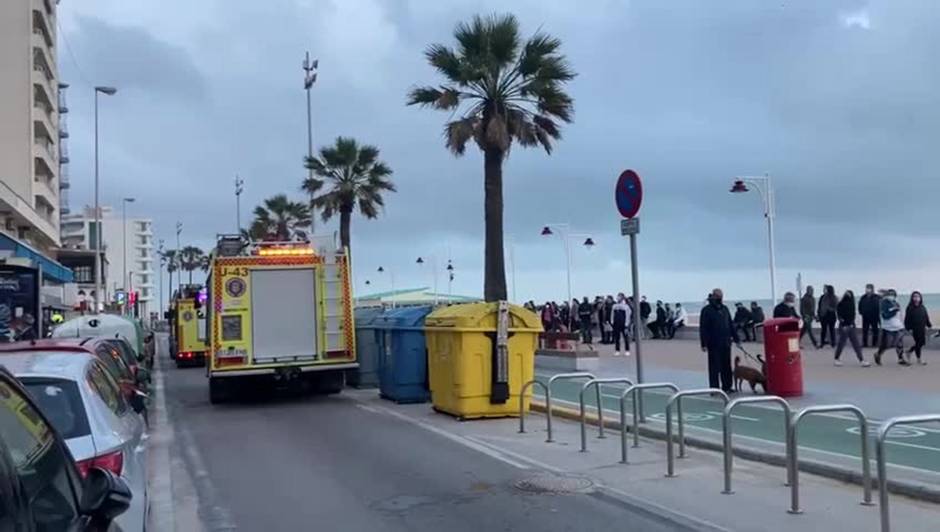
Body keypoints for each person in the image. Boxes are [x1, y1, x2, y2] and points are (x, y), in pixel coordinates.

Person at [700, 289, 740, 393]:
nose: (720, 298)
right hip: (713, 343)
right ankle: (714, 388)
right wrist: (704, 343)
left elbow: (730, 325)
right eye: (717, 296)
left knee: (726, 365)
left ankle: (727, 386)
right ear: (713, 296)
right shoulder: (706, 310)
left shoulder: (725, 309)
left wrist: (736, 339)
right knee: (714, 367)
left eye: (721, 296)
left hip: (726, 342)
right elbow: (703, 328)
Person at [834, 290, 870, 367]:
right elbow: (840, 316)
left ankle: (861, 359)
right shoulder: (841, 304)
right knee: (842, 343)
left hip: (850, 326)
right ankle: (837, 358)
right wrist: (844, 324)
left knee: (855, 343)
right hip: (845, 326)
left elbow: (851, 316)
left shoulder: (851, 304)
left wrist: (850, 324)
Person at [876, 289, 905, 366]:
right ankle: (878, 354)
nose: (891, 296)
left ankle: (900, 358)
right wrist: (894, 311)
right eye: (890, 294)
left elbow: (900, 315)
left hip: (898, 327)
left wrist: (902, 324)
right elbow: (885, 316)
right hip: (888, 327)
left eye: (893, 295)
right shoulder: (883, 303)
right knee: (887, 344)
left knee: (900, 343)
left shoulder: (896, 303)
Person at [904, 291, 931, 365]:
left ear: (920, 298)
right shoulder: (910, 308)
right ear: (912, 298)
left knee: (921, 343)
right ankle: (919, 359)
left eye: (918, 296)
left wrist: (929, 325)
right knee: (919, 343)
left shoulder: (922, 307)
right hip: (914, 328)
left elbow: (926, 317)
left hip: (922, 328)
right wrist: (908, 328)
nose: (916, 298)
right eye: (914, 296)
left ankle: (909, 351)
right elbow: (907, 319)